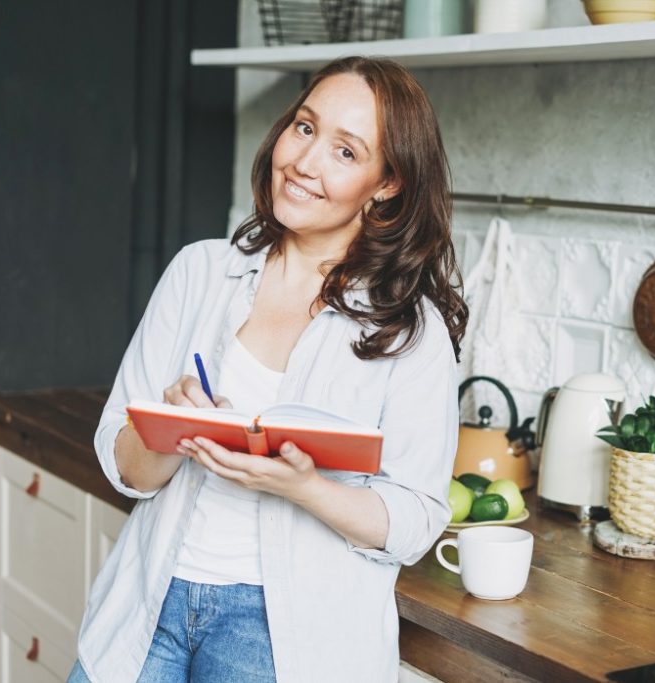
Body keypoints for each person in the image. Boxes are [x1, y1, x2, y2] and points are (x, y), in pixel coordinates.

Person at [67, 56, 467, 683]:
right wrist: (174, 432)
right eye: (304, 129)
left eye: (345, 151)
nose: (305, 163)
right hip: (147, 608)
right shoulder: (198, 273)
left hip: (285, 642)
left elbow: (415, 520)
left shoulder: (410, 333)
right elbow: (123, 465)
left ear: (386, 184)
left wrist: (303, 487)